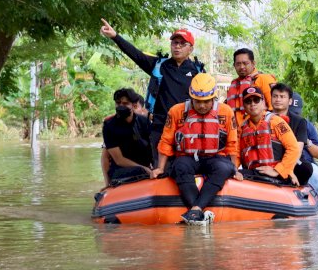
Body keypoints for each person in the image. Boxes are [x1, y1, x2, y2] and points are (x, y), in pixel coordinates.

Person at [100, 18, 204, 165]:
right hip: (160, 125)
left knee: (187, 166)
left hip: (187, 125)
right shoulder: (159, 65)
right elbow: (136, 55)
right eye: (175, 42)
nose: (177, 47)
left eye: (182, 43)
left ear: (190, 48)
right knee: (161, 167)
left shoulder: (197, 71)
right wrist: (115, 36)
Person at [151, 73, 238, 225]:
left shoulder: (226, 112)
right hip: (187, 157)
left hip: (215, 157)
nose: (202, 106)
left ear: (213, 98)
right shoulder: (177, 111)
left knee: (224, 169)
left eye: (206, 101)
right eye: (197, 101)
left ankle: (195, 209)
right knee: (179, 167)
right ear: (191, 97)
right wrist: (160, 168)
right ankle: (198, 210)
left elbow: (232, 144)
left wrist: (235, 169)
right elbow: (166, 141)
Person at [236, 86, 312, 186]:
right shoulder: (242, 128)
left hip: (274, 170)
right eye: (248, 101)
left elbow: (293, 148)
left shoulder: (276, 122)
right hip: (254, 172)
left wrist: (277, 170)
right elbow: (236, 153)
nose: (252, 104)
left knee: (305, 168)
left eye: (256, 100)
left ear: (263, 103)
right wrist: (234, 170)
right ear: (244, 106)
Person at [102, 88, 153, 184]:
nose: (121, 106)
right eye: (118, 103)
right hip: (121, 170)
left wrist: (156, 168)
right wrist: (107, 182)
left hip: (145, 166)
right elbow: (118, 159)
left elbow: (154, 147)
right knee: (139, 171)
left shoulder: (144, 122)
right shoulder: (109, 126)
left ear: (134, 105)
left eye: (125, 104)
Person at [226, 48, 277, 126]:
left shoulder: (264, 79)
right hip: (236, 132)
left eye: (245, 63)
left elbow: (275, 108)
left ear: (253, 63)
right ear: (234, 65)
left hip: (258, 130)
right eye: (238, 64)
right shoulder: (234, 84)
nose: (242, 66)